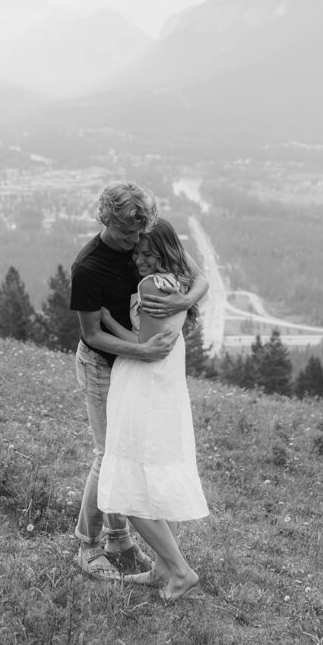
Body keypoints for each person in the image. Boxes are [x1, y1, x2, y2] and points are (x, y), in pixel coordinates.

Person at [70, 182, 208, 580]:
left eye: (139, 234)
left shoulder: (147, 236)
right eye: (127, 234)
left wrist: (184, 301)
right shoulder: (88, 267)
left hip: (136, 368)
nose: (135, 243)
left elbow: (198, 277)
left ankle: (120, 540)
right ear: (105, 221)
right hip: (103, 365)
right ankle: (89, 545)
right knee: (109, 456)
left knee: (128, 456)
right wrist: (143, 351)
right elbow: (93, 334)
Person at [97, 218, 209, 602]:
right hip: (164, 383)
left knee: (129, 485)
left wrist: (109, 322)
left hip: (143, 385)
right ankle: (162, 568)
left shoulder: (150, 285)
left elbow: (146, 345)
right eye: (138, 252)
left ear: (164, 252)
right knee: (155, 473)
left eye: (149, 253)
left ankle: (179, 571)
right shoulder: (175, 280)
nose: (141, 259)